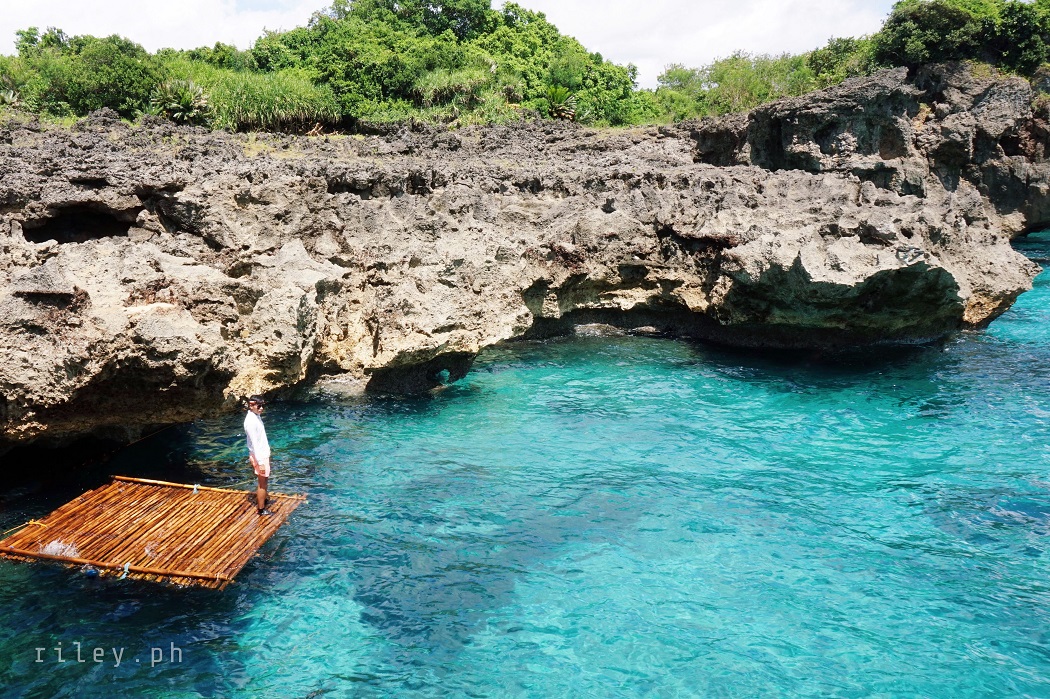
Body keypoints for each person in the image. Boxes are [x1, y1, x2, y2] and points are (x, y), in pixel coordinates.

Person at [244, 395, 273, 515]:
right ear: (251, 405)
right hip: (259, 456)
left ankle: (263, 501)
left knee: (264, 481)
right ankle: (261, 509)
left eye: (263, 406)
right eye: (259, 406)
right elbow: (255, 444)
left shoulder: (256, 416)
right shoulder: (250, 422)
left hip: (262, 455)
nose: (261, 409)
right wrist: (260, 462)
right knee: (262, 483)